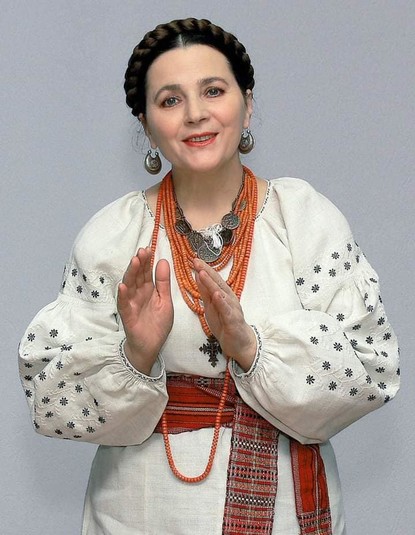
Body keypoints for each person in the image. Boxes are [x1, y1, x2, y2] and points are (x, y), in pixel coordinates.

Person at [19, 17, 400, 535]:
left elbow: (371, 370)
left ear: (247, 102)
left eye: (213, 91)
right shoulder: (114, 235)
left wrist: (250, 347)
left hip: (283, 511)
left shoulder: (303, 220)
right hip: (143, 511)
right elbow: (52, 400)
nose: (195, 114)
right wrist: (136, 354)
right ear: (146, 124)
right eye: (170, 100)